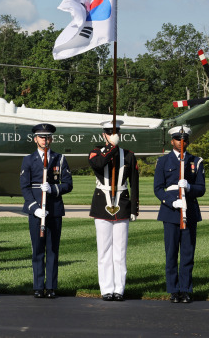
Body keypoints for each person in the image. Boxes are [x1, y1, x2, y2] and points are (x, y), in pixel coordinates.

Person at [20, 123, 72, 298]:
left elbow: (68, 184)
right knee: (38, 250)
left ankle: (50, 286)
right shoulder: (28, 160)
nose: (45, 140)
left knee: (52, 249)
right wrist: (34, 208)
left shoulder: (60, 159)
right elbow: (25, 187)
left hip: (54, 209)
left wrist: (53, 189)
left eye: (48, 137)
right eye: (42, 137)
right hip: (36, 210)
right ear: (35, 139)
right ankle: (37, 286)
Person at [88, 120, 139, 302]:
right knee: (104, 251)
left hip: (122, 204)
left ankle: (119, 289)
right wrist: (112, 147)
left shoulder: (129, 155)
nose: (112, 135)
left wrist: (134, 208)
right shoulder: (96, 152)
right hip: (102, 205)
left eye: (115, 133)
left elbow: (134, 182)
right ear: (104, 135)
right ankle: (106, 289)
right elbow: (99, 164)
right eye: (109, 133)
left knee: (120, 251)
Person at [154, 126, 205, 303]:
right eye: (177, 139)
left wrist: (190, 188)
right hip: (170, 212)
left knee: (187, 253)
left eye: (184, 139)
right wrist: (171, 201)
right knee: (171, 253)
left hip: (189, 211)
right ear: (172, 141)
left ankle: (185, 289)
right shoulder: (163, 161)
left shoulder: (195, 161)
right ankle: (173, 290)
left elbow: (201, 189)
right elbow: (158, 188)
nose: (181, 142)